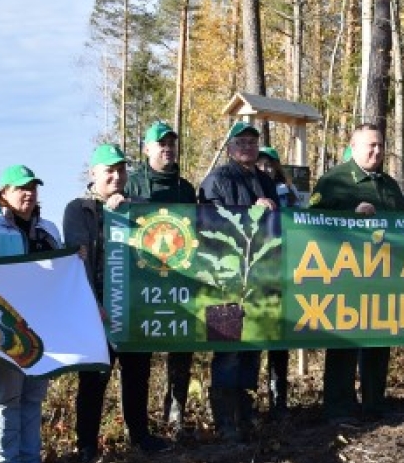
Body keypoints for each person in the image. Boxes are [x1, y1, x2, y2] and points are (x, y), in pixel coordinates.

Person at [64, 144, 168, 463]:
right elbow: (76, 259)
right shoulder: (78, 209)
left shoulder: (138, 207)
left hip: (133, 308)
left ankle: (140, 435)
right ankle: (86, 445)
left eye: (121, 170)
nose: (116, 176)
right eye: (108, 170)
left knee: (138, 375)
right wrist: (92, 303)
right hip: (97, 308)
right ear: (93, 173)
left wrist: (128, 212)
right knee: (94, 379)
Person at [0, 165, 62, 463]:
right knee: (7, 397)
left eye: (33, 188)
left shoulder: (47, 229)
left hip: (41, 326)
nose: (28, 194)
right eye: (21, 188)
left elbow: (61, 275)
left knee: (34, 396)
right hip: (5, 328)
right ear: (4, 192)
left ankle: (30, 461)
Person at [308, 124, 404, 420]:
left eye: (380, 146)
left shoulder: (390, 185)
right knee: (343, 344)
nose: (376, 151)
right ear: (353, 146)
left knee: (379, 341)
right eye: (370, 145)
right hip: (344, 278)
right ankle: (339, 406)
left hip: (383, 277)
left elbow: (402, 228)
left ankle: (375, 402)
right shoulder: (333, 181)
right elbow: (309, 224)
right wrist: (350, 217)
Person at [200, 121, 281, 441]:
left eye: (252, 141)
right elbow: (209, 224)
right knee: (228, 350)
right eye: (241, 142)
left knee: (252, 348)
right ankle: (225, 422)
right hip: (224, 279)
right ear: (230, 147)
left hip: (260, 276)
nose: (248, 146)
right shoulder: (217, 179)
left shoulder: (265, 180)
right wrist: (251, 211)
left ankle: (245, 415)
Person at [126, 121, 201, 430]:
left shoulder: (186, 188)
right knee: (138, 357)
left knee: (182, 348)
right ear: (147, 148)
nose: (167, 147)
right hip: (140, 279)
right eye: (161, 143)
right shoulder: (131, 184)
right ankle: (138, 421)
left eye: (171, 142)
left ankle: (176, 410)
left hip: (179, 277)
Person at [256, 146, 298, 414]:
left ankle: (278, 397)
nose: (266, 169)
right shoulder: (250, 189)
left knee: (280, 338)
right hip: (257, 272)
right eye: (261, 164)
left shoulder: (288, 194)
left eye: (270, 164)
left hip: (285, 271)